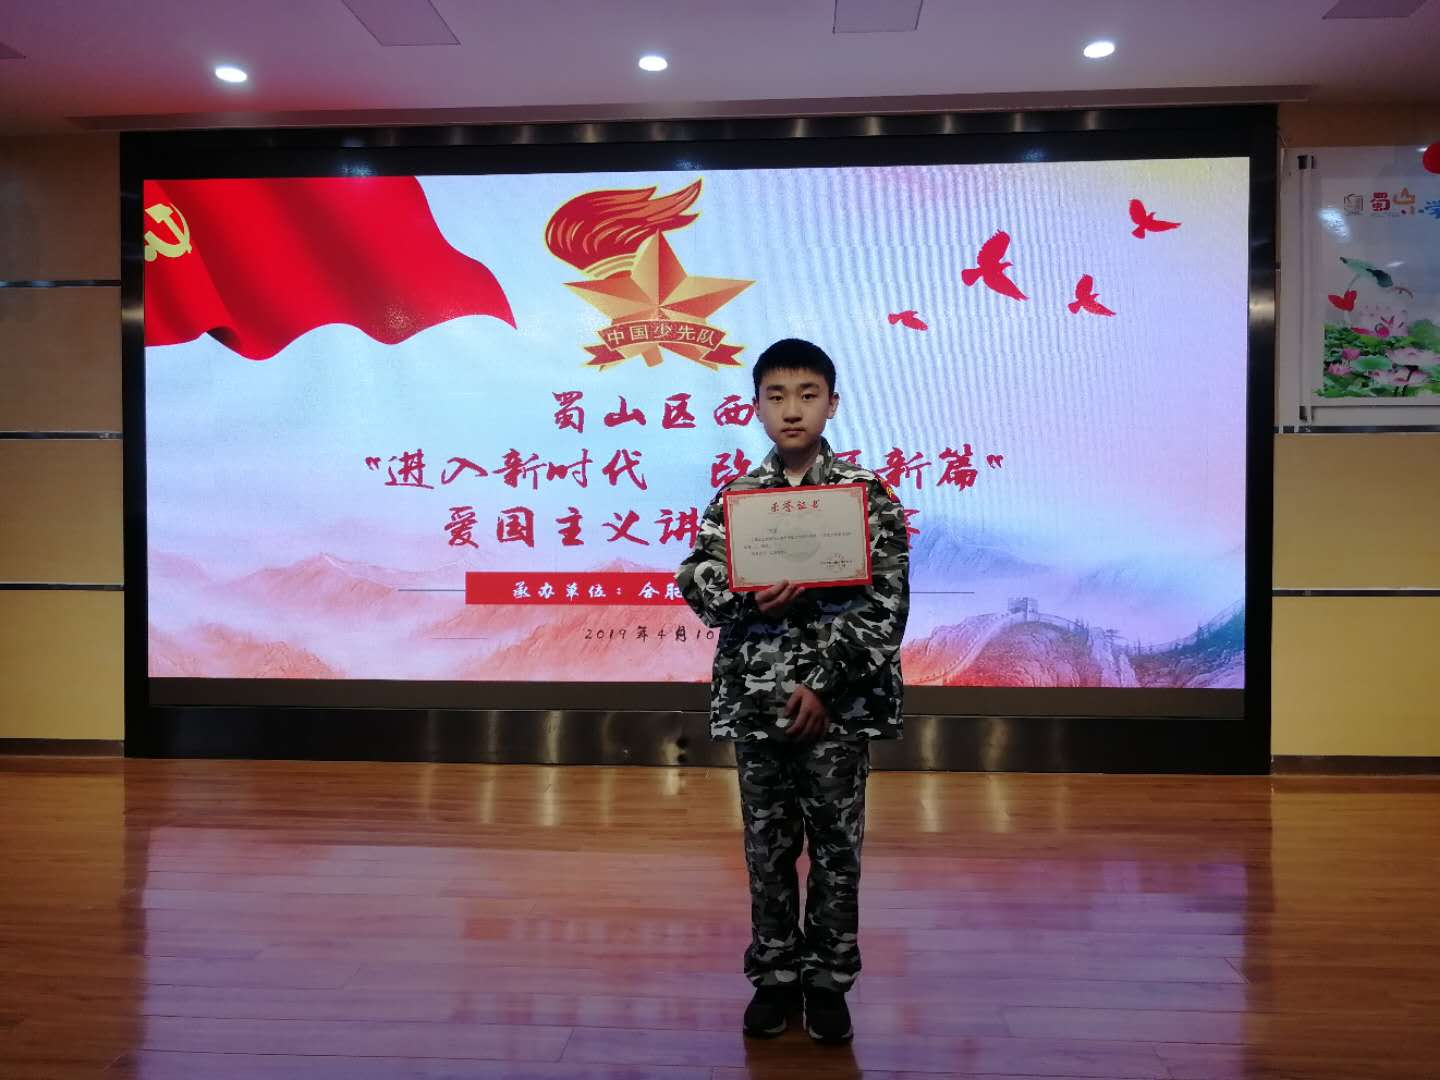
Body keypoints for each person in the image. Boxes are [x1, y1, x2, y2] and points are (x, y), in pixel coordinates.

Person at [675, 337, 910, 1043]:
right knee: (768, 848)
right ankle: (774, 976)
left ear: (832, 404)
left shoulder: (866, 496)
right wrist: (749, 596)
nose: (792, 410)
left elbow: (886, 608)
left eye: (808, 395)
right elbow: (695, 581)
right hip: (759, 703)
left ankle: (829, 982)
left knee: (837, 850)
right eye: (776, 396)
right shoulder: (738, 498)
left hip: (837, 709)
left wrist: (825, 685)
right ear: (755, 407)